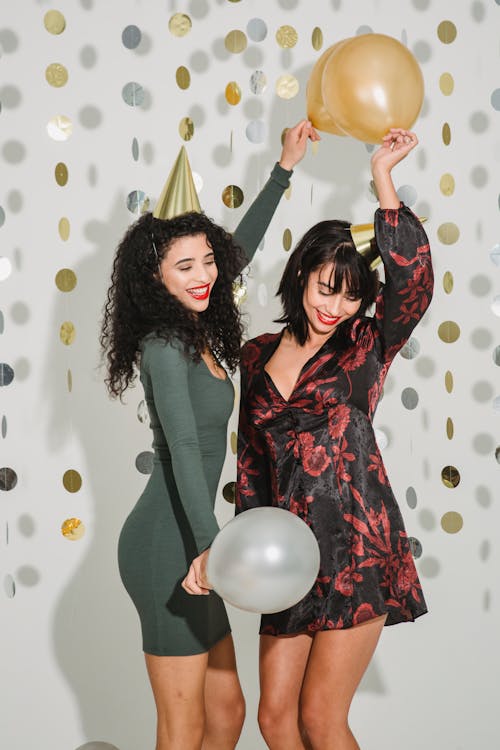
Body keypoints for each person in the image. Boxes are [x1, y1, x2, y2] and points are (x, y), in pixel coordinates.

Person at [100, 120, 319, 750]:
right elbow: (189, 452)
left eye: (207, 261)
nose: (202, 275)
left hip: (193, 540)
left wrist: (283, 169)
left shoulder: (197, 329)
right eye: (184, 265)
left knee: (227, 714)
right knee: (185, 724)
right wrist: (210, 549)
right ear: (155, 278)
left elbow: (236, 251)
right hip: (166, 545)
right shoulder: (165, 345)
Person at [236, 128, 433, 750]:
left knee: (322, 721)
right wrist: (244, 557)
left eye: (352, 296)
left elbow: (415, 286)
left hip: (356, 549)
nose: (337, 306)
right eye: (327, 287)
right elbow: (250, 466)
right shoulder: (255, 355)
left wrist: (383, 178)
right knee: (274, 721)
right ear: (300, 274)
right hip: (286, 556)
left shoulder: (366, 345)